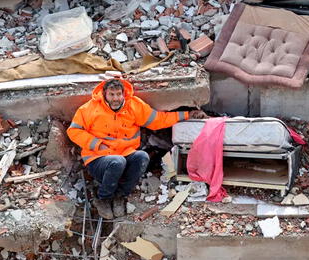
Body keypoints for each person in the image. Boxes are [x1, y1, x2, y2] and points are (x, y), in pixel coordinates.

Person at [67, 78, 207, 219]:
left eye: (118, 94)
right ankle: (103, 198)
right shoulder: (89, 108)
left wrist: (188, 115)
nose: (116, 98)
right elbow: (73, 131)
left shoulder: (133, 106)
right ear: (104, 94)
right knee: (117, 162)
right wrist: (96, 144)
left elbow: (159, 120)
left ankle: (120, 196)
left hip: (124, 155)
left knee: (142, 157)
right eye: (112, 94)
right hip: (98, 158)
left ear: (123, 94)